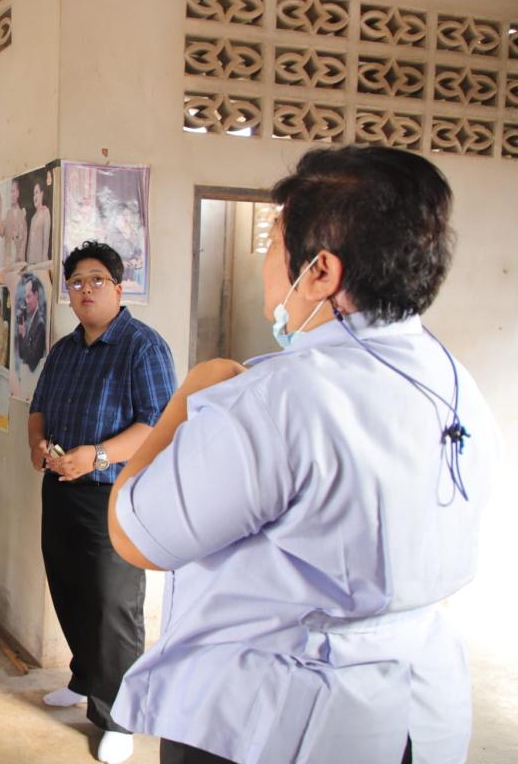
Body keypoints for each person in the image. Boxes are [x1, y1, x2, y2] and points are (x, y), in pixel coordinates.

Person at [107, 146, 500, 764]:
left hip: (271, 718)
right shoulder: (453, 380)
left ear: (320, 272)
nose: (267, 258)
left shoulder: (277, 400)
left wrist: (189, 395)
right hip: (418, 711)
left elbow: (138, 537)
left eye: (273, 241)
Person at [28, 241, 176, 764]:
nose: (85, 290)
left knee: (113, 604)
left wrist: (97, 455)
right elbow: (39, 409)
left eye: (96, 280)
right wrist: (37, 445)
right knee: (69, 589)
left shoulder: (143, 347)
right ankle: (85, 678)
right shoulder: (64, 350)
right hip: (61, 489)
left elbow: (159, 425)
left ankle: (118, 718)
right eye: (76, 282)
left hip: (114, 495)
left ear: (118, 287)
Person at [15, 272, 47, 376]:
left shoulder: (40, 324)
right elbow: (21, 354)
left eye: (29, 297)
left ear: (36, 295)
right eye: (25, 297)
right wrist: (22, 335)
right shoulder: (30, 321)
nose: (26, 301)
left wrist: (24, 336)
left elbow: (32, 360)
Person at [2, 180, 28, 266]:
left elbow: (24, 238)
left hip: (18, 261)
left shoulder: (22, 214)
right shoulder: (6, 214)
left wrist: (21, 258)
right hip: (8, 261)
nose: (11, 195)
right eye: (10, 192)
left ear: (18, 193)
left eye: (13, 191)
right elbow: (1, 232)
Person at [27, 178, 52, 263]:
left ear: (42, 193)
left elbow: (46, 240)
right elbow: (29, 247)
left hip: (41, 262)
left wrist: (44, 262)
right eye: (33, 194)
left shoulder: (46, 212)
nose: (35, 196)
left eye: (37, 192)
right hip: (31, 264)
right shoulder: (33, 218)